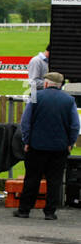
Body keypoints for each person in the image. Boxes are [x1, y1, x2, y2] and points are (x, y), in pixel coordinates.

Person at [14, 72, 79, 220]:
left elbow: (26, 122)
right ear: (60, 85)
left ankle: (24, 210)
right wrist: (70, 142)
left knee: (32, 178)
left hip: (36, 146)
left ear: (46, 83)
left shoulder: (36, 97)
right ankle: (50, 212)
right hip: (59, 147)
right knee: (54, 181)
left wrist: (27, 141)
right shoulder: (69, 100)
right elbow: (75, 125)